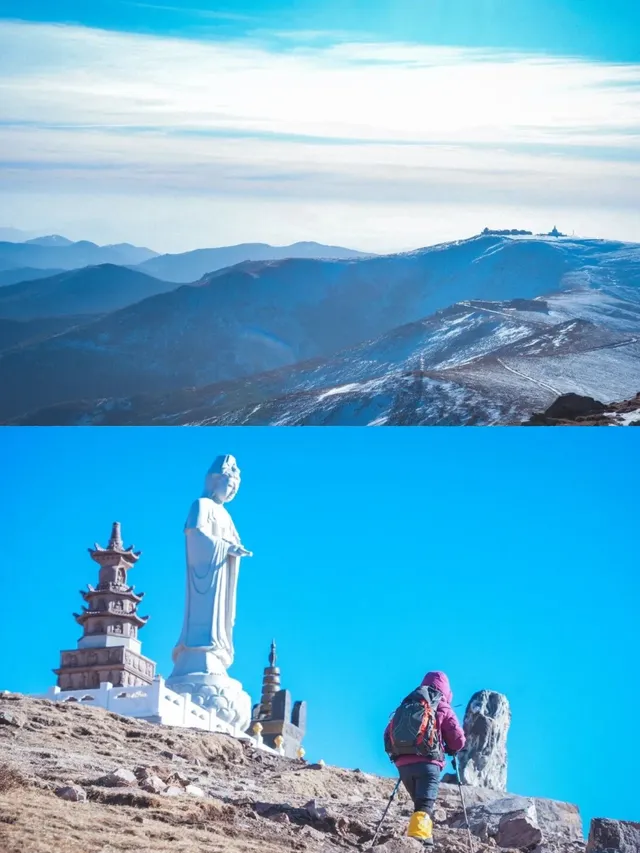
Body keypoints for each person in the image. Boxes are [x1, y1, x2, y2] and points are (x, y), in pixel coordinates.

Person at [384, 671, 466, 847]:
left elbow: (387, 733)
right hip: (428, 764)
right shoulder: (441, 705)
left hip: (402, 763)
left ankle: (426, 842)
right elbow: (458, 740)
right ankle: (415, 843)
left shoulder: (408, 703)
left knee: (420, 804)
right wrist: (450, 748)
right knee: (424, 804)